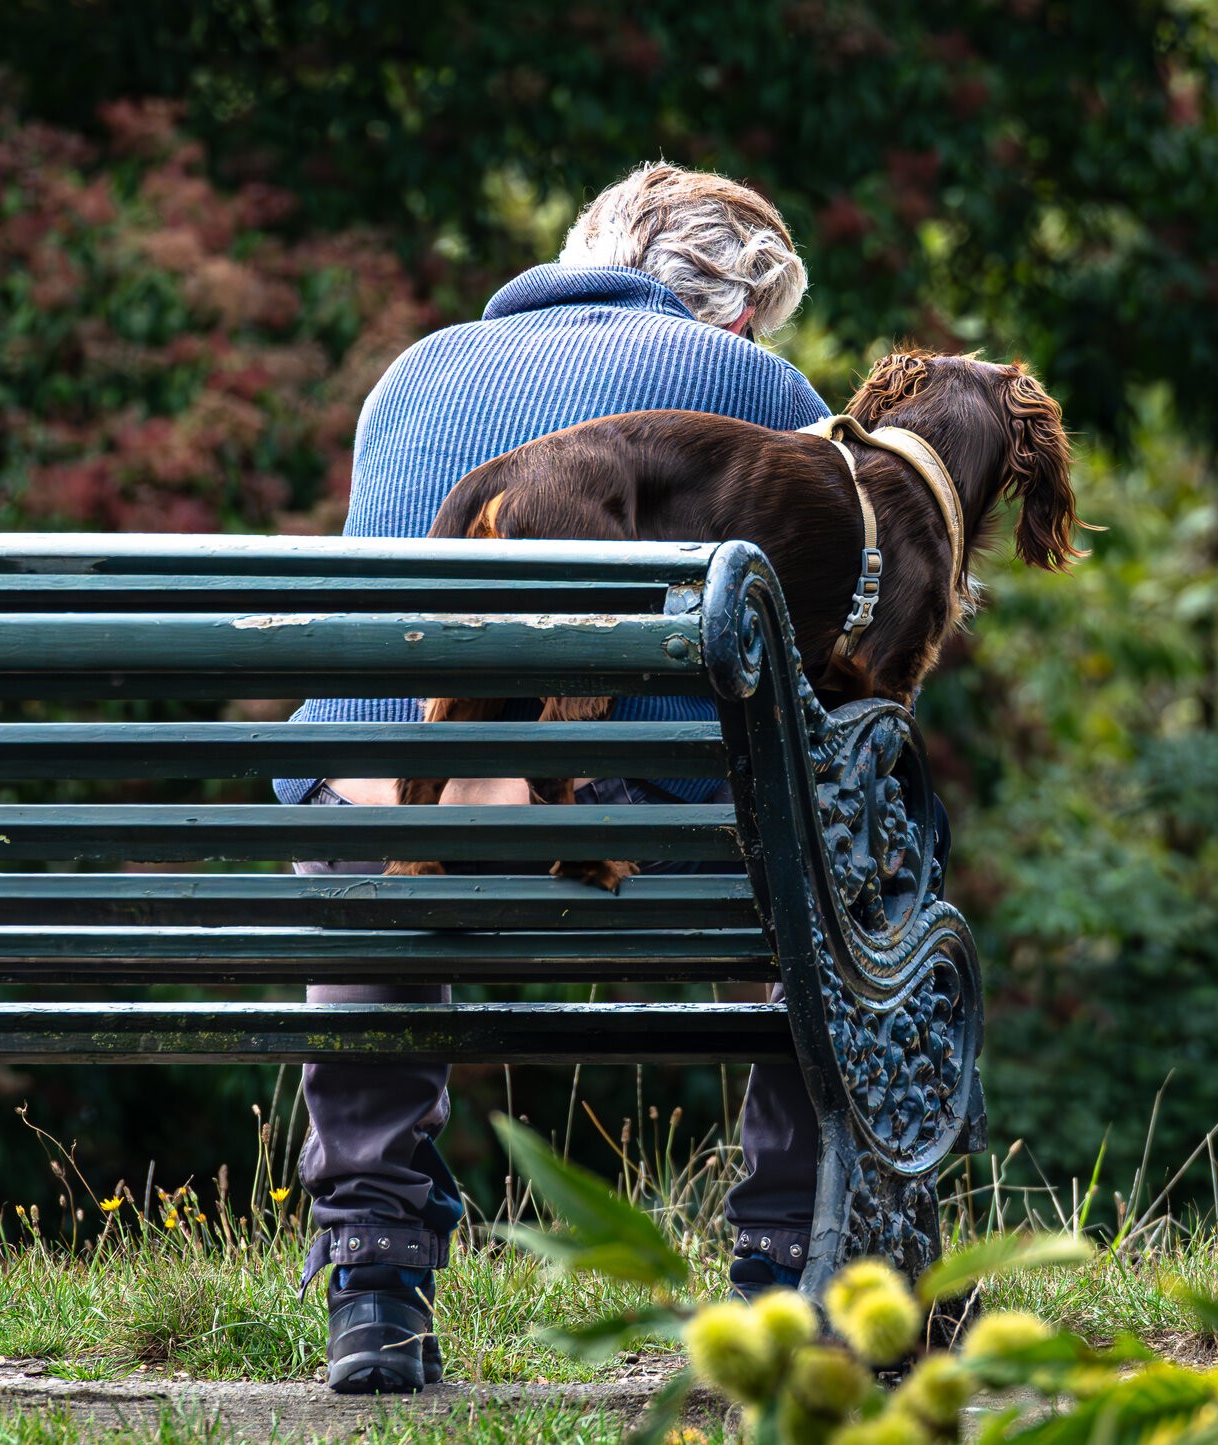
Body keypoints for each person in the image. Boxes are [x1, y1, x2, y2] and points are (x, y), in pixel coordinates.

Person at [277, 162, 838, 1394]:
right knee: (842, 840)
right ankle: (787, 1257)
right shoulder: (756, 387)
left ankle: (373, 1281)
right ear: (738, 307)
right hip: (584, 818)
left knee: (375, 810)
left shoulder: (411, 372)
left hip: (366, 819)